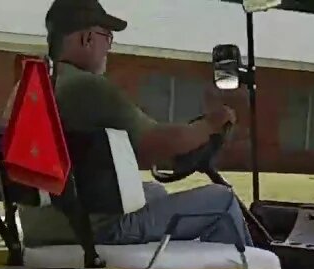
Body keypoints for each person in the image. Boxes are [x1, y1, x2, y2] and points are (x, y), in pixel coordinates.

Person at [14, 0, 253, 250]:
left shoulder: (31, 89)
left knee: (154, 192)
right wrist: (211, 124)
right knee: (221, 200)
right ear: (87, 38)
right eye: (106, 37)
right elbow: (156, 144)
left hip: (42, 229)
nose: (108, 47)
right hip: (96, 231)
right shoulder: (86, 88)